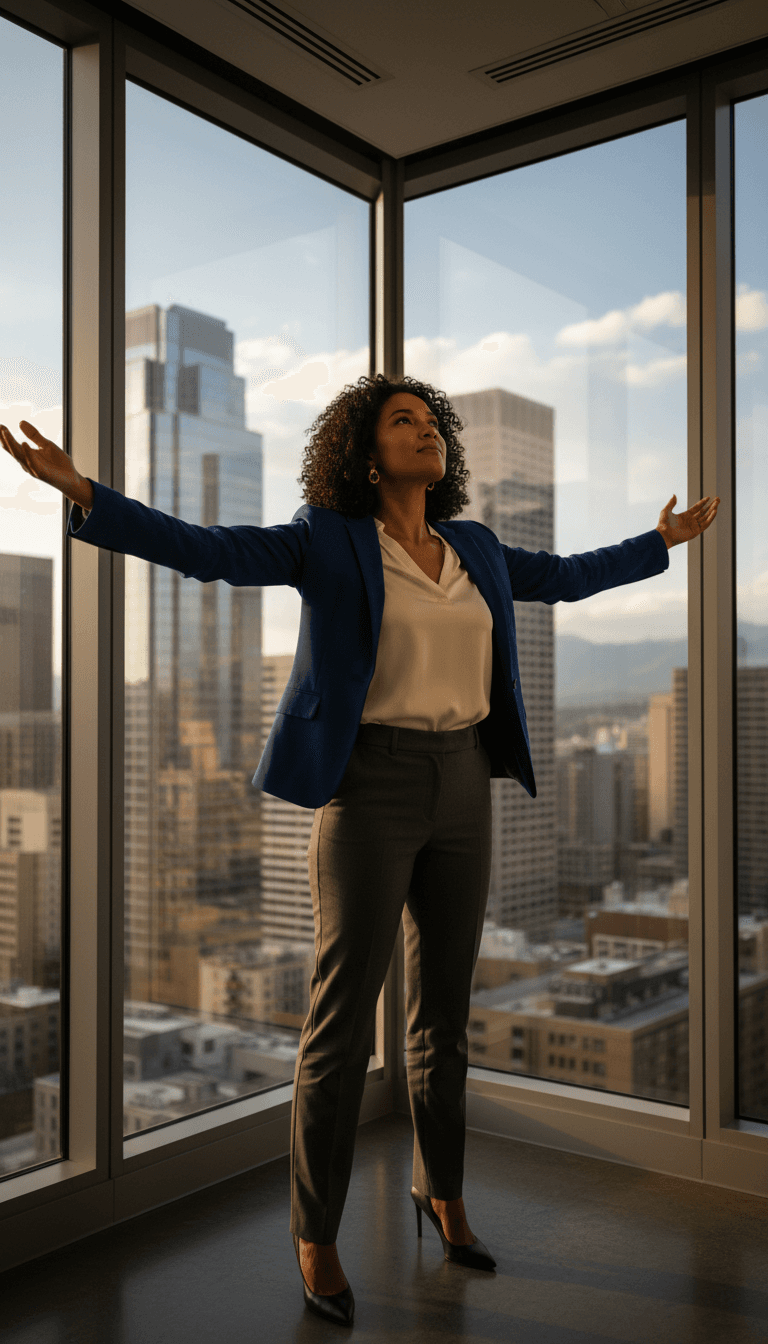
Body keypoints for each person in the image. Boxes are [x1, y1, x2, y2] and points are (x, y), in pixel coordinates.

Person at [0, 374, 719, 1328]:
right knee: (339, 1028)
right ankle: (317, 1235)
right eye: (402, 422)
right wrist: (87, 495)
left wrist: (659, 542)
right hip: (368, 786)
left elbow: (565, 576)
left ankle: (442, 1193)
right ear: (365, 455)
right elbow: (208, 551)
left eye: (430, 422)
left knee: (444, 1018)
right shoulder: (326, 538)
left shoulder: (475, 547)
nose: (426, 432)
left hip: (465, 783)